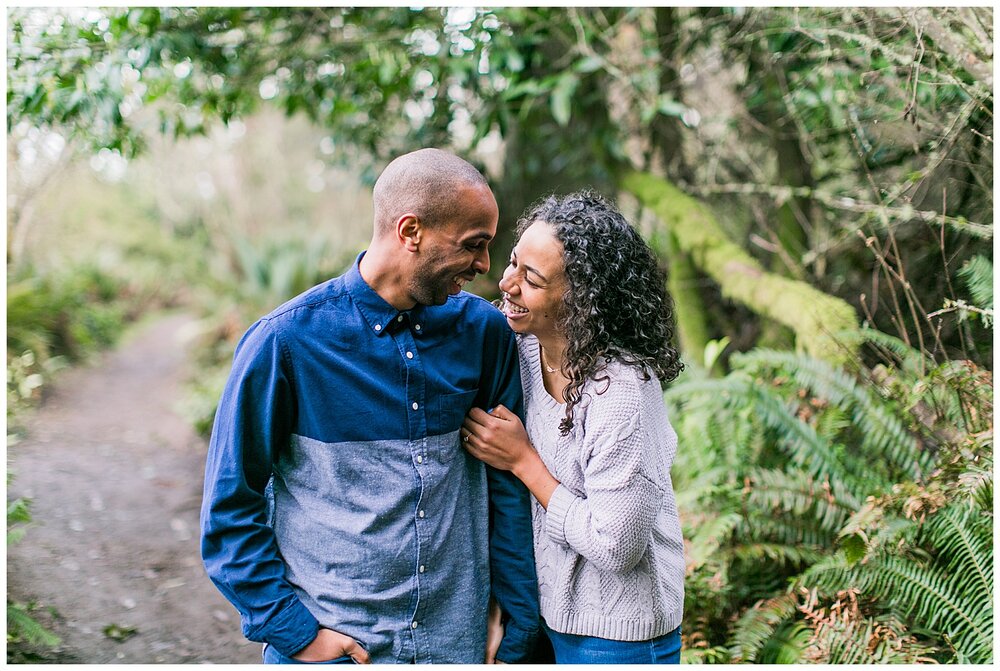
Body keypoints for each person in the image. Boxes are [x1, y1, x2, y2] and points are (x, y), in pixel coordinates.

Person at [200, 148, 539, 664]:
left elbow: (506, 490)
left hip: (456, 648)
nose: (485, 265)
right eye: (474, 245)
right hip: (336, 648)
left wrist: (517, 623)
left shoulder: (484, 334)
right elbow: (230, 506)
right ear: (410, 232)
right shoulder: (285, 343)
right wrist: (294, 632)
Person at [461, 191, 686, 664]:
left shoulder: (621, 389)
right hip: (546, 618)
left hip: (619, 634)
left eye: (532, 279)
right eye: (513, 262)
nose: (506, 283)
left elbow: (617, 544)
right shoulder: (521, 352)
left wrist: (525, 463)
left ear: (583, 301)